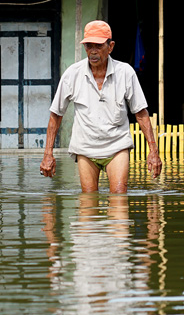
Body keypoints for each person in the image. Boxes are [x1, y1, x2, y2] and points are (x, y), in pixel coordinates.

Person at [39, 20, 162, 193]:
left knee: (119, 197)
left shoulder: (125, 72)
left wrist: (153, 152)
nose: (93, 51)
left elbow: (141, 113)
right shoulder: (72, 74)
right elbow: (56, 115)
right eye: (89, 46)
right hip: (86, 147)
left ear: (110, 46)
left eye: (98, 45)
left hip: (117, 146)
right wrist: (48, 154)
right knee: (88, 201)